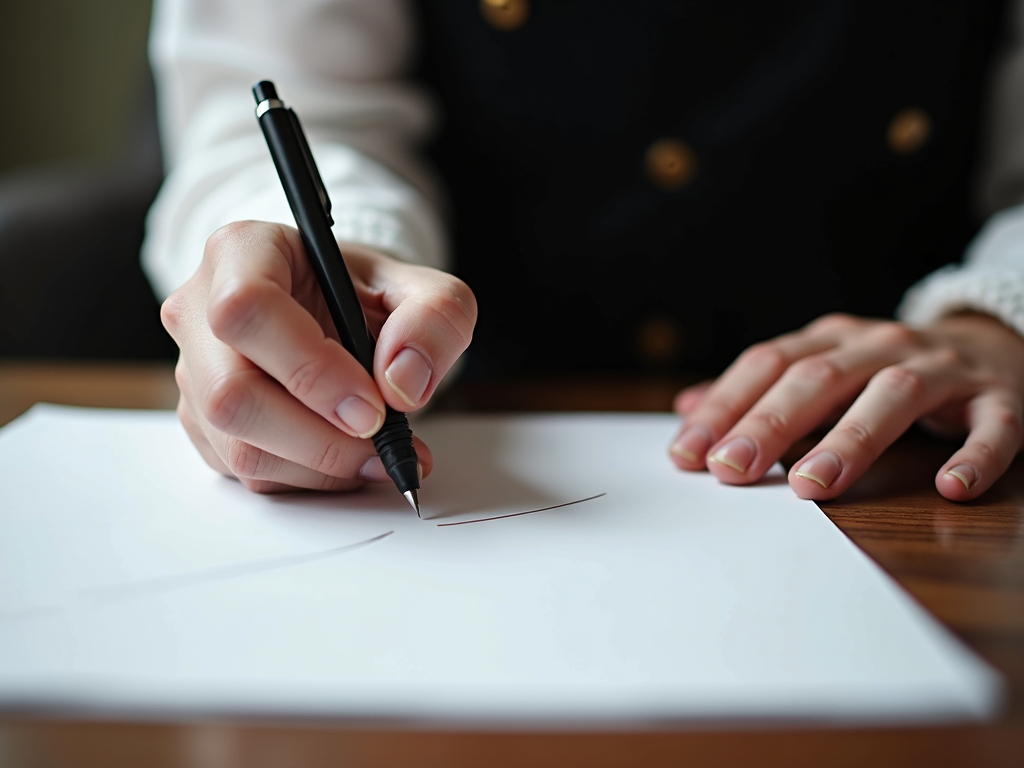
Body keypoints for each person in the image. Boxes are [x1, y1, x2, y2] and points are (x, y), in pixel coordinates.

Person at [145, 0, 1024, 503]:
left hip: (903, 448)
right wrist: (327, 264)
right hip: (488, 394)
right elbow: (284, 104)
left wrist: (999, 313)